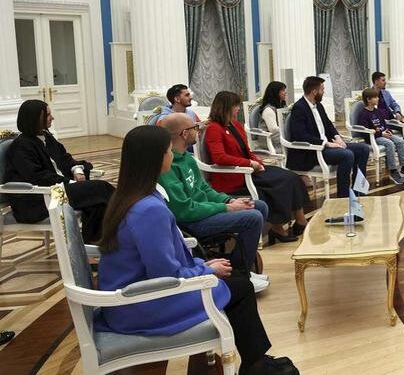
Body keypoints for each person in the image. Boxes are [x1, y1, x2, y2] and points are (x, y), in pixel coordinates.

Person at [95, 126, 297, 375]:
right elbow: (166, 275)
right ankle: (256, 366)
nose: (172, 155)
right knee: (241, 288)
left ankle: (256, 362)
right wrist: (205, 270)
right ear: (157, 158)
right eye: (169, 151)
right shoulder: (149, 209)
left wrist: (202, 267)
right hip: (141, 305)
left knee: (236, 284)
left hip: (131, 298)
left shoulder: (128, 196)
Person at [158, 114, 270, 292]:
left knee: (258, 205)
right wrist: (226, 207)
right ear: (184, 133)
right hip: (191, 222)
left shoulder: (187, 158)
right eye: (195, 127)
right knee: (253, 218)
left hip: (204, 211)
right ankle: (241, 274)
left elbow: (204, 189)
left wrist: (228, 200)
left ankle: (239, 266)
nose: (198, 130)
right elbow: (184, 210)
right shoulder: (167, 166)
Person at [203, 92, 309, 242]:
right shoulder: (214, 128)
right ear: (226, 107)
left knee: (291, 177)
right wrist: (249, 163)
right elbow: (219, 157)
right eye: (235, 106)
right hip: (233, 176)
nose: (238, 109)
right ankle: (277, 228)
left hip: (249, 170)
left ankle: (300, 220)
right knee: (276, 186)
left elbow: (247, 150)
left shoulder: (235, 125)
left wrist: (258, 162)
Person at [2, 100, 114, 242]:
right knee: (101, 188)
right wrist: (70, 183)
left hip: (57, 192)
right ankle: (129, 214)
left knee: (98, 205)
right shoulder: (21, 146)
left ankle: (92, 247)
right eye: (48, 115)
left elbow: (65, 158)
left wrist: (77, 170)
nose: (52, 118)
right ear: (35, 119)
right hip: (39, 200)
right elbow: (38, 177)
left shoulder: (46, 137)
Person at [287, 76, 370, 198]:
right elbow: (300, 135)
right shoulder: (299, 108)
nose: (323, 92)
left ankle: (359, 190)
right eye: (322, 89)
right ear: (314, 92)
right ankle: (343, 196)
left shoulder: (318, 105)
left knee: (363, 149)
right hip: (312, 151)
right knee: (347, 155)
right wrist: (325, 143)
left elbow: (328, 125)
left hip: (327, 146)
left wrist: (337, 137)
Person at [355, 88, 404, 185]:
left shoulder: (377, 111)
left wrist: (388, 131)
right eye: (375, 97)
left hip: (384, 134)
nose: (378, 99)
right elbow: (365, 132)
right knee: (389, 144)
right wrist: (381, 134)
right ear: (368, 99)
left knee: (400, 141)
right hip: (374, 137)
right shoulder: (363, 114)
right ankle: (393, 171)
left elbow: (384, 124)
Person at [371, 72, 404, 165]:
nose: (385, 82)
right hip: (379, 122)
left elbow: (394, 104)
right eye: (383, 80)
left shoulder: (386, 93)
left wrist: (397, 112)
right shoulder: (369, 94)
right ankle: (389, 158)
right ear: (376, 81)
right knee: (388, 132)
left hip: (390, 120)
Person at [256, 81, 287, 153]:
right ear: (275, 92)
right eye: (283, 90)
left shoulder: (282, 106)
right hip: (269, 138)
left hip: (279, 134)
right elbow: (273, 129)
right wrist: (288, 130)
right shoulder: (268, 109)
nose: (285, 92)